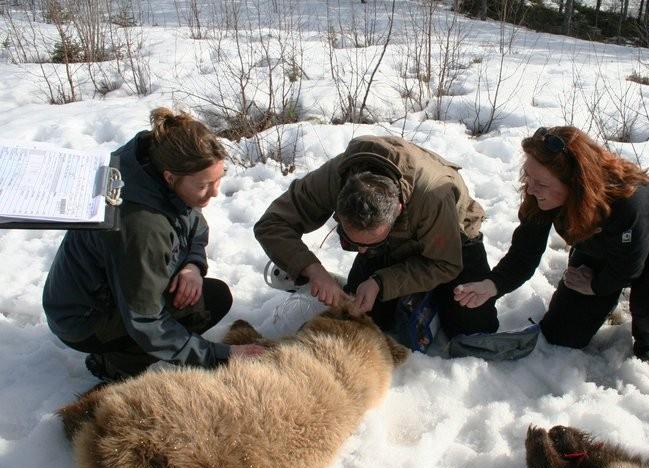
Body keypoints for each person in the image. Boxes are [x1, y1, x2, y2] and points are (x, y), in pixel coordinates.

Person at [43, 107, 263, 382]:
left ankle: (128, 346)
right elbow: (146, 322)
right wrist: (219, 355)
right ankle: (117, 365)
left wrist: (192, 265)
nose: (215, 193)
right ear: (171, 178)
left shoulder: (150, 163)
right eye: (205, 186)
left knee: (210, 295)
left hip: (100, 288)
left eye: (218, 180)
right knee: (208, 304)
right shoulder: (142, 226)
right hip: (83, 319)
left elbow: (193, 223)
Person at [454, 126, 649, 364]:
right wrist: (493, 284)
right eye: (529, 177)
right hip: (600, 249)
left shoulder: (628, 199)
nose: (530, 188)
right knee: (562, 335)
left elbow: (629, 266)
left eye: (541, 183)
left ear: (576, 184)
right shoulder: (541, 194)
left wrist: (596, 286)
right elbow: (524, 252)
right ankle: (605, 301)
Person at [254, 135, 498, 340]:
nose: (360, 252)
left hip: (452, 241)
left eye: (367, 244)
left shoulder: (433, 195)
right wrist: (313, 270)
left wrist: (381, 282)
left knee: (471, 329)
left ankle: (431, 294)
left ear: (399, 210)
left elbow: (446, 262)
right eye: (353, 242)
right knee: (361, 320)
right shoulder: (334, 177)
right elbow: (272, 224)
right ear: (338, 206)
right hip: (390, 248)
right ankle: (372, 274)